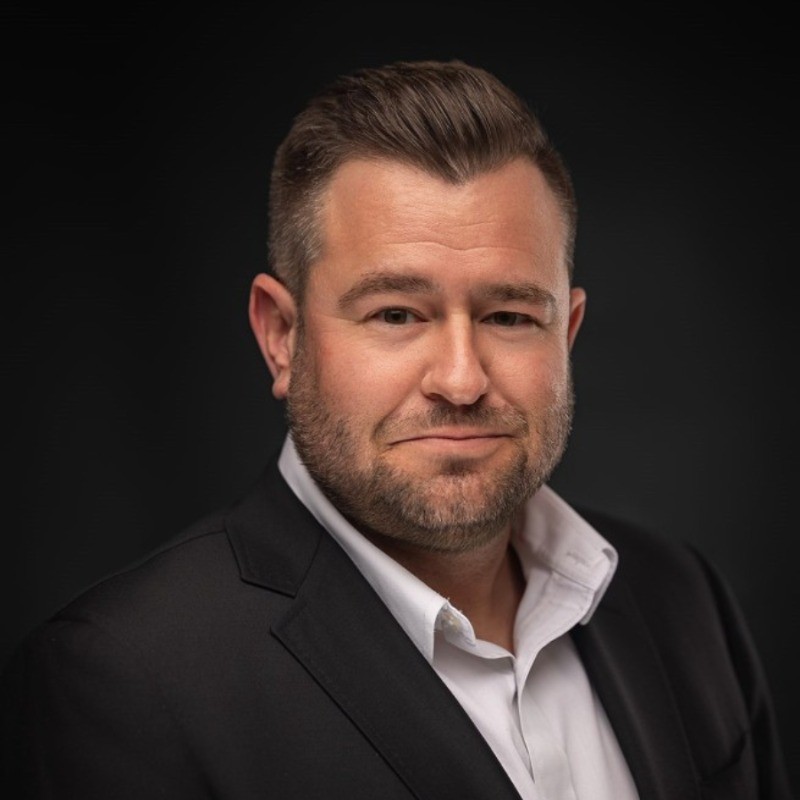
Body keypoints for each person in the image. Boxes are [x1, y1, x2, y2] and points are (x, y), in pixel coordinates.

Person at [1, 59, 793, 800]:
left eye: (510, 316)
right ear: (281, 336)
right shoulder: (122, 680)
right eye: (396, 314)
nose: (461, 380)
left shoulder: (681, 598)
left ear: (568, 334)